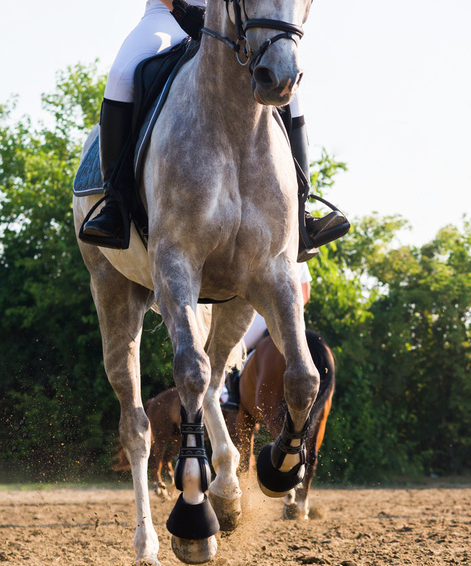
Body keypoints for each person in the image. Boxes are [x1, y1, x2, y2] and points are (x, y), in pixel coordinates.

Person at [80, 0, 350, 256]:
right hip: (170, 16)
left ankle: (301, 212)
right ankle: (115, 205)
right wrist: (181, 9)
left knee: (288, 88)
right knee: (121, 75)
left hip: (239, 18)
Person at [221, 261, 312, 411]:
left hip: (263, 316)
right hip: (293, 319)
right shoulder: (299, 253)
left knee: (233, 349)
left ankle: (230, 396)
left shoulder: (262, 246)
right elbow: (306, 294)